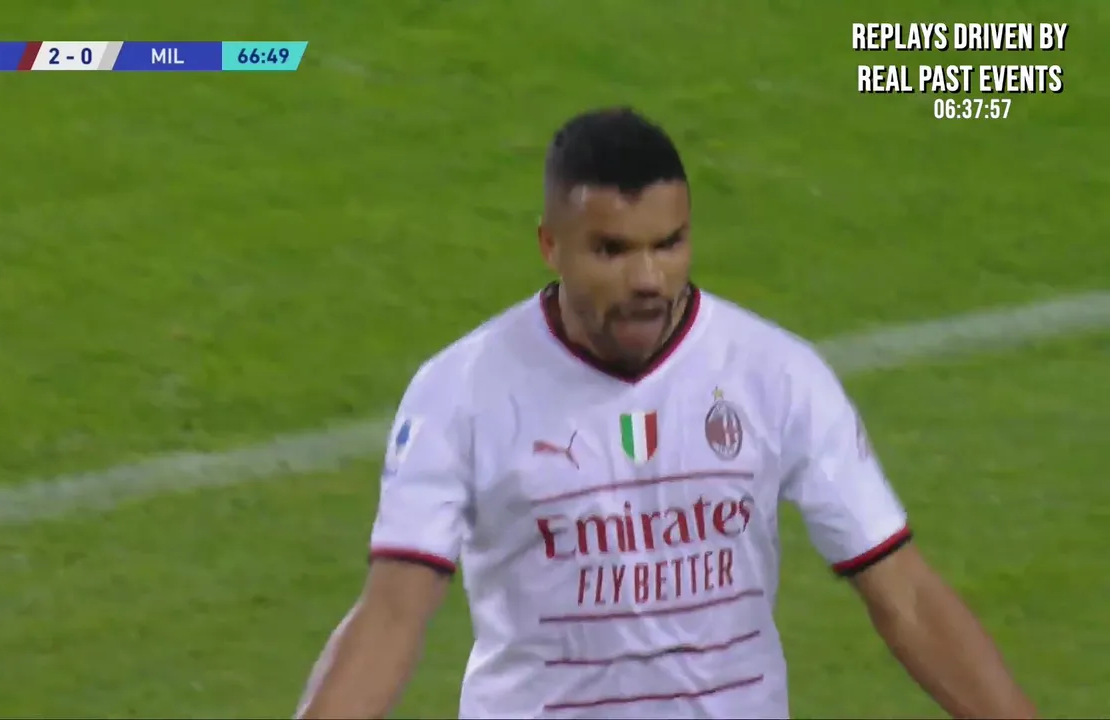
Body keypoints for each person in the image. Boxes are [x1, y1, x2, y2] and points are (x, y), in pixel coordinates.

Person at [295, 107, 1036, 719]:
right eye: (612, 251)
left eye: (669, 244)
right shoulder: (462, 392)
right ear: (551, 246)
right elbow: (391, 615)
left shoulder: (773, 374)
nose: (649, 278)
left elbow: (905, 594)